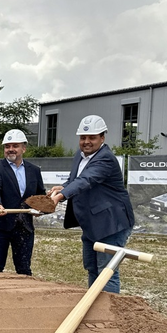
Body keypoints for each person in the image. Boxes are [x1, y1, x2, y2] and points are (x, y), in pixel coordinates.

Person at [49, 115, 135, 293]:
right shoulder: (79, 156)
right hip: (91, 223)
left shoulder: (105, 159)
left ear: (102, 138)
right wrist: (63, 187)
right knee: (92, 267)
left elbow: (87, 180)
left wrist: (61, 196)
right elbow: (77, 180)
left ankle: (108, 314)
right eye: (83, 137)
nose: (86, 142)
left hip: (111, 224)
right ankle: (95, 307)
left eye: (92, 137)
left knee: (107, 272)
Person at [0, 129, 45, 275]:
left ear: (23, 148)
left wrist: (41, 208)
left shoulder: (34, 170)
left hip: (24, 227)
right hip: (0, 226)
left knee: (24, 269)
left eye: (15, 146)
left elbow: (40, 194)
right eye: (7, 146)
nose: (11, 149)